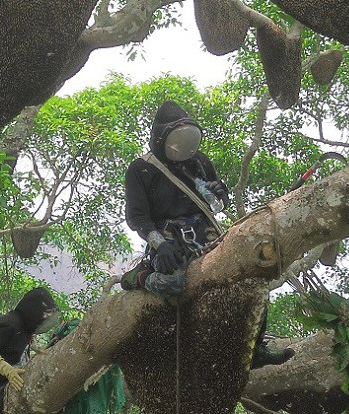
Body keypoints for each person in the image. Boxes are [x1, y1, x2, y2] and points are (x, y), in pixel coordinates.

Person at [121, 100, 293, 368]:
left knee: (250, 274)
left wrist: (219, 194)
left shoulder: (198, 162)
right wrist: (159, 245)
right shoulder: (142, 169)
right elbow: (137, 217)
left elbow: (212, 200)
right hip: (168, 237)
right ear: (160, 138)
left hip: (207, 232)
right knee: (173, 284)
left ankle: (255, 346)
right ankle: (139, 276)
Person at [0, 287, 60, 414]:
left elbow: (22, 339)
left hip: (5, 381)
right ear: (34, 311)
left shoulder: (26, 327)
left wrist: (35, 348)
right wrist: (6, 369)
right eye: (45, 314)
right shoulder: (9, 324)